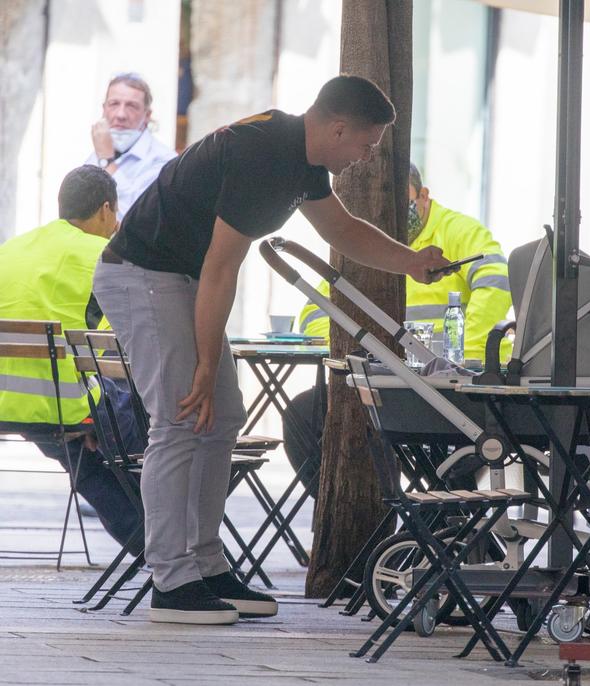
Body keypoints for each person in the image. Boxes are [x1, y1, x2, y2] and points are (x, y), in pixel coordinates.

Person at [92, 75, 452, 626]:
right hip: (144, 274)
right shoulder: (265, 157)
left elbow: (343, 230)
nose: (366, 157)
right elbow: (221, 269)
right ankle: (170, 579)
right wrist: (207, 366)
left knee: (223, 417)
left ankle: (206, 566)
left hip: (179, 276)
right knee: (181, 417)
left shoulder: (300, 158)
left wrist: (410, 261)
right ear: (337, 128)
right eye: (367, 144)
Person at [289, 165, 513, 498]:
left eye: (403, 201)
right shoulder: (366, 244)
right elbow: (313, 311)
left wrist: (456, 353)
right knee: (302, 416)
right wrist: (369, 352)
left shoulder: (459, 231)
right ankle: (376, 508)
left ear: (423, 197)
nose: (396, 213)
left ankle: (442, 520)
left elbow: (495, 285)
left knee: (447, 442)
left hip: (458, 380)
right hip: (390, 378)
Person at [0, 166, 145, 554]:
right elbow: (128, 342)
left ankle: (156, 549)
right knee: (145, 441)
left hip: (8, 402)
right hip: (66, 401)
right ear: (104, 210)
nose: (116, 225)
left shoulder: (13, 247)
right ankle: (168, 549)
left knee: (85, 458)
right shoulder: (102, 254)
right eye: (115, 214)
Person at [86, 73, 176, 219]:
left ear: (147, 115)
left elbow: (137, 217)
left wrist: (107, 162)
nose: (121, 114)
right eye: (114, 104)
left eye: (132, 106)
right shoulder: (98, 152)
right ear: (104, 109)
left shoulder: (164, 160)